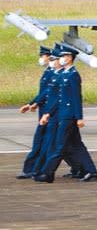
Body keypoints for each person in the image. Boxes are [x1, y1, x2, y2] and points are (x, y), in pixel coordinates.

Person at [34, 45, 97, 183]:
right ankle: (90, 171)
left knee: (59, 145)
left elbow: (76, 98)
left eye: (63, 56)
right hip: (62, 114)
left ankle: (48, 173)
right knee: (76, 145)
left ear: (70, 58)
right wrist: (48, 113)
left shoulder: (73, 75)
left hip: (68, 115)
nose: (61, 59)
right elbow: (59, 98)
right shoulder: (64, 74)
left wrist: (79, 117)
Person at [16, 46, 55, 179]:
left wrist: (34, 103)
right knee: (54, 142)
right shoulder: (48, 71)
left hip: (48, 110)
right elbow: (43, 92)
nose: (41, 58)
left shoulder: (52, 72)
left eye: (42, 56)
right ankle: (81, 168)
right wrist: (32, 103)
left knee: (44, 140)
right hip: (44, 110)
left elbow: (47, 92)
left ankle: (33, 169)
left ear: (49, 57)